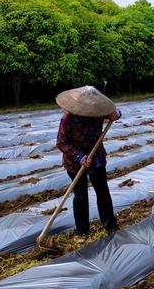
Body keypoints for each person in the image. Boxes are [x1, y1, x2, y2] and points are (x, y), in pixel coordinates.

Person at [56, 85, 121, 240]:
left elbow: (114, 113)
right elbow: (61, 142)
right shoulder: (68, 118)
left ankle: (109, 224)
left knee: (102, 190)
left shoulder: (97, 111)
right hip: (74, 160)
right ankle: (82, 231)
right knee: (80, 195)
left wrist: (116, 114)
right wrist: (80, 157)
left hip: (96, 156)